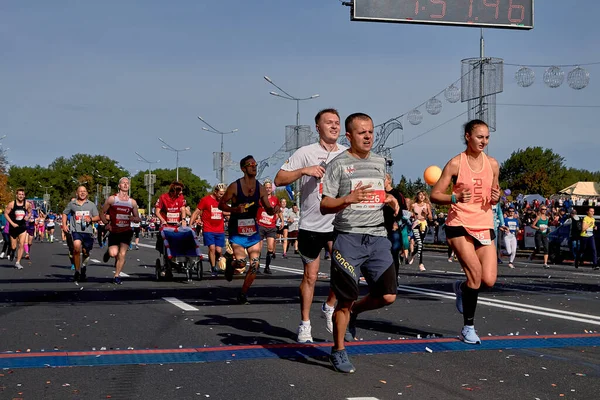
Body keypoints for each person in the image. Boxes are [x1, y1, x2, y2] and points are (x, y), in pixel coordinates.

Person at [320, 112, 399, 373]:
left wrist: (389, 198)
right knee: (344, 299)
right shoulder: (338, 164)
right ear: (349, 136)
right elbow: (325, 205)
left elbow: (379, 193)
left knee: (388, 296)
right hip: (348, 237)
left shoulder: (379, 162)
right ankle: (338, 350)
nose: (368, 136)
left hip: (377, 237)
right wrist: (347, 199)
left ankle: (355, 313)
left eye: (371, 131)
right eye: (362, 132)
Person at [274, 108, 347, 343]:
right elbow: (278, 178)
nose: (334, 126)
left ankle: (329, 306)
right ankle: (305, 323)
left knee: (344, 272)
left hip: (339, 222)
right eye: (329, 123)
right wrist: (304, 170)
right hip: (312, 223)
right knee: (311, 276)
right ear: (318, 127)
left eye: (337, 123)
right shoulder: (306, 152)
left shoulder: (347, 153)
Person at [430, 119, 501, 345]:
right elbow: (435, 195)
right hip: (459, 223)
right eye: (480, 137)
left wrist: (497, 197)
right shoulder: (455, 164)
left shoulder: (493, 164)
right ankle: (468, 328)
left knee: (488, 280)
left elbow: (495, 192)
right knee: (475, 275)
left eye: (487, 137)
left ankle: (461, 289)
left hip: (484, 222)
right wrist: (454, 197)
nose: (484, 141)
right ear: (468, 137)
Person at [219, 155, 279, 304]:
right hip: (237, 231)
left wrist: (274, 210)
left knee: (254, 265)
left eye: (255, 164)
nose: (254, 166)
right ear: (243, 168)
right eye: (250, 164)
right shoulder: (235, 186)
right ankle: (231, 266)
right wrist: (234, 210)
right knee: (241, 262)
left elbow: (268, 209)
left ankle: (243, 293)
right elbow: (221, 205)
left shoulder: (260, 188)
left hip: (252, 231)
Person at [100, 177, 141, 284]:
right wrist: (106, 224)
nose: (126, 185)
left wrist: (134, 218)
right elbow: (102, 213)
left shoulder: (132, 202)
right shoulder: (112, 199)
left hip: (126, 231)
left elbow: (137, 218)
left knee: (122, 254)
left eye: (127, 183)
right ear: (119, 186)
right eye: (123, 183)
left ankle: (116, 276)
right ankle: (108, 253)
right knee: (114, 253)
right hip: (114, 231)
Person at [62, 186, 100, 283]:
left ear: (87, 193)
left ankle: (83, 267)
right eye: (80, 191)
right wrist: (64, 224)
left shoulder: (91, 205)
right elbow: (65, 213)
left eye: (84, 191)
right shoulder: (72, 204)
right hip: (76, 230)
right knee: (76, 247)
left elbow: (97, 217)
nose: (82, 193)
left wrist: (90, 219)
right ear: (77, 193)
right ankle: (77, 271)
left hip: (88, 231)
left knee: (86, 251)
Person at [190, 183, 227, 277]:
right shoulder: (206, 200)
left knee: (218, 250)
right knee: (212, 248)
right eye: (221, 194)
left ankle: (216, 260)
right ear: (215, 192)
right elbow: (197, 212)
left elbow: (226, 212)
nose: (222, 196)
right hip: (208, 228)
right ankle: (213, 267)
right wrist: (190, 224)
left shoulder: (223, 202)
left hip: (220, 229)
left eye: (224, 194)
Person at [383, 173, 408, 283]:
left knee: (393, 252)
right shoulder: (378, 193)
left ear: (389, 180)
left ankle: (394, 279)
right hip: (380, 226)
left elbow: (404, 210)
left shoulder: (396, 193)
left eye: (383, 179)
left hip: (393, 227)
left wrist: (397, 223)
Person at [256, 179, 283, 274]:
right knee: (258, 248)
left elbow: (278, 211)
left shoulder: (275, 199)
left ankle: (267, 267)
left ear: (272, 189)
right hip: (260, 225)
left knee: (270, 247)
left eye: (269, 188)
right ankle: (257, 266)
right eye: (266, 188)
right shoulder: (260, 199)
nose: (268, 189)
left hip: (271, 226)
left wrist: (282, 221)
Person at [4, 188, 32, 269]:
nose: (21, 196)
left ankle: (18, 262)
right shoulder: (12, 204)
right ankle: (12, 251)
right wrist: (12, 223)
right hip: (13, 227)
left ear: (24, 195)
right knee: (13, 246)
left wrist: (27, 216)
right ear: (16, 195)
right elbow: (6, 213)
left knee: (21, 244)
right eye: (19, 194)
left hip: (22, 227)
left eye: (22, 195)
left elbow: (30, 212)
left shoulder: (27, 204)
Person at [410, 191, 432, 271]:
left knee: (420, 243)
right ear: (417, 196)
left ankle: (412, 254)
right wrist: (412, 214)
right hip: (416, 224)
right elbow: (408, 213)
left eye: (423, 195)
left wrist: (426, 213)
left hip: (424, 224)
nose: (422, 196)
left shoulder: (427, 205)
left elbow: (430, 218)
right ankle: (420, 264)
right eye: (420, 195)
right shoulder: (413, 205)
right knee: (419, 243)